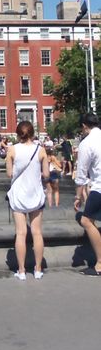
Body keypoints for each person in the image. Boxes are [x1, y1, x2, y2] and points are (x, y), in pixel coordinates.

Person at [6, 121, 49, 280]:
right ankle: (38, 269)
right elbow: (46, 174)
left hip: (18, 196)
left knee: (21, 233)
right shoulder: (41, 150)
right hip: (35, 194)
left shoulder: (12, 149)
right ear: (33, 133)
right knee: (37, 233)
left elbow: (9, 174)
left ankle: (22, 271)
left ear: (18, 134)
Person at [74, 113, 101, 276]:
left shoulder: (87, 143)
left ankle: (99, 263)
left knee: (86, 220)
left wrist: (78, 197)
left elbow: (81, 175)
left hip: (99, 187)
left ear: (85, 126)